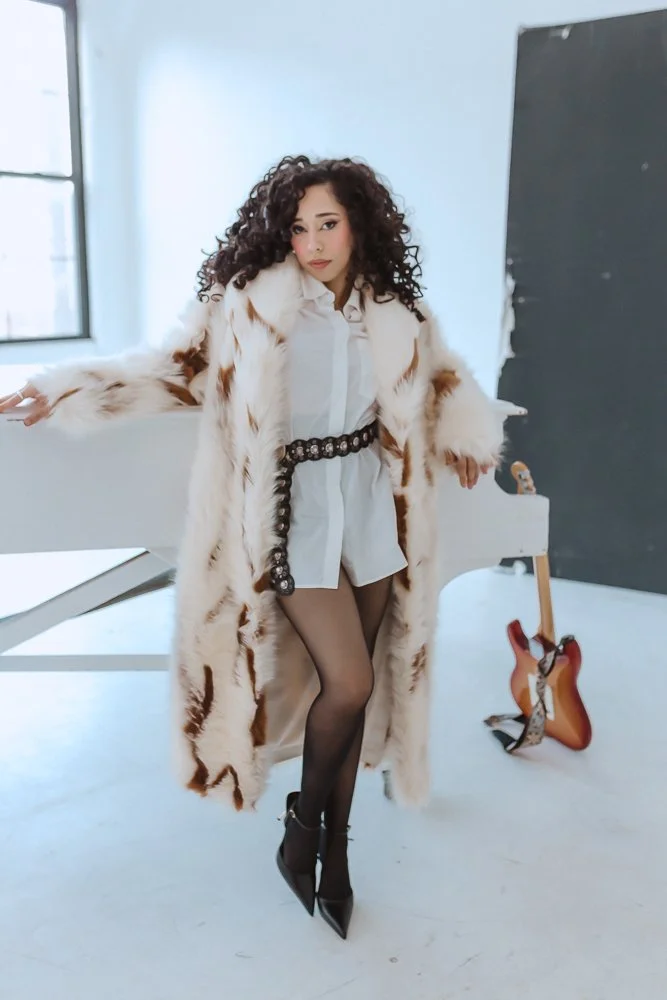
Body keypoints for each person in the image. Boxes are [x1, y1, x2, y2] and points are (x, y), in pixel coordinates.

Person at [0, 155, 510, 940]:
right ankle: (302, 829)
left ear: (359, 223)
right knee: (346, 680)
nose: (313, 243)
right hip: (287, 512)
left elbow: (441, 379)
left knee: (359, 690)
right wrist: (65, 387)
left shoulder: (394, 309)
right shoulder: (247, 304)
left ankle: (335, 853)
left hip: (372, 507)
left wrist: (467, 433)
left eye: (328, 224)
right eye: (298, 228)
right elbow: (172, 368)